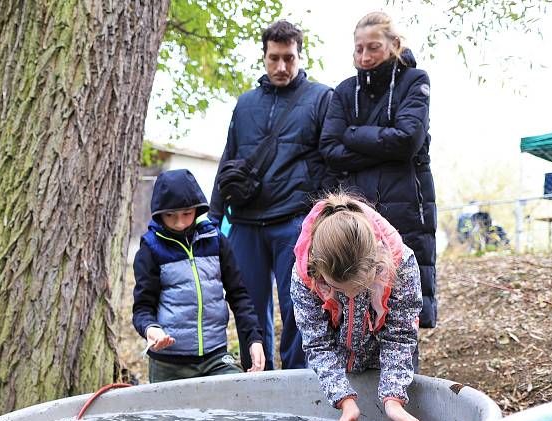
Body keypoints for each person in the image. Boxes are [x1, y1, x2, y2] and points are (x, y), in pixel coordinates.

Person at [209, 20, 335, 371]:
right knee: (249, 308)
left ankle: (297, 383)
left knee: (300, 306)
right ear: (264, 57)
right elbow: (228, 157)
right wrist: (213, 218)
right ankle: (258, 381)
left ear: (299, 56)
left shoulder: (320, 98)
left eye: (289, 59)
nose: (281, 67)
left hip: (294, 220)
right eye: (274, 58)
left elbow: (329, 161)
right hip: (246, 223)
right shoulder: (245, 104)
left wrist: (323, 214)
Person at [319, 12, 437, 336]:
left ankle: (398, 383)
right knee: (353, 304)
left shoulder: (416, 81)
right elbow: (329, 147)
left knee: (402, 310)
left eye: (373, 47)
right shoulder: (344, 92)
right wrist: (385, 144)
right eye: (359, 49)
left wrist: (354, 134)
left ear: (393, 45)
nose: (365, 57)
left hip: (405, 206)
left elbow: (407, 141)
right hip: (355, 211)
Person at [290, 192, 422, 421]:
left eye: (359, 289)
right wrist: (344, 400)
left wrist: (393, 401)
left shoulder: (401, 263)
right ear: (319, 271)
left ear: (377, 263)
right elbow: (318, 344)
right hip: (335, 367)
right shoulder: (304, 274)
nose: (349, 296)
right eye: (340, 290)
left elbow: (400, 337)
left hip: (389, 363)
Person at [133, 169, 266, 383]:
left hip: (216, 356)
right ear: (159, 214)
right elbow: (142, 309)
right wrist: (152, 329)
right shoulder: (150, 249)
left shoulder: (215, 240)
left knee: (237, 396)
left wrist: (254, 339)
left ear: (197, 209)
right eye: (170, 216)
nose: (179, 223)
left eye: (186, 214)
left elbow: (239, 295)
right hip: (168, 363)